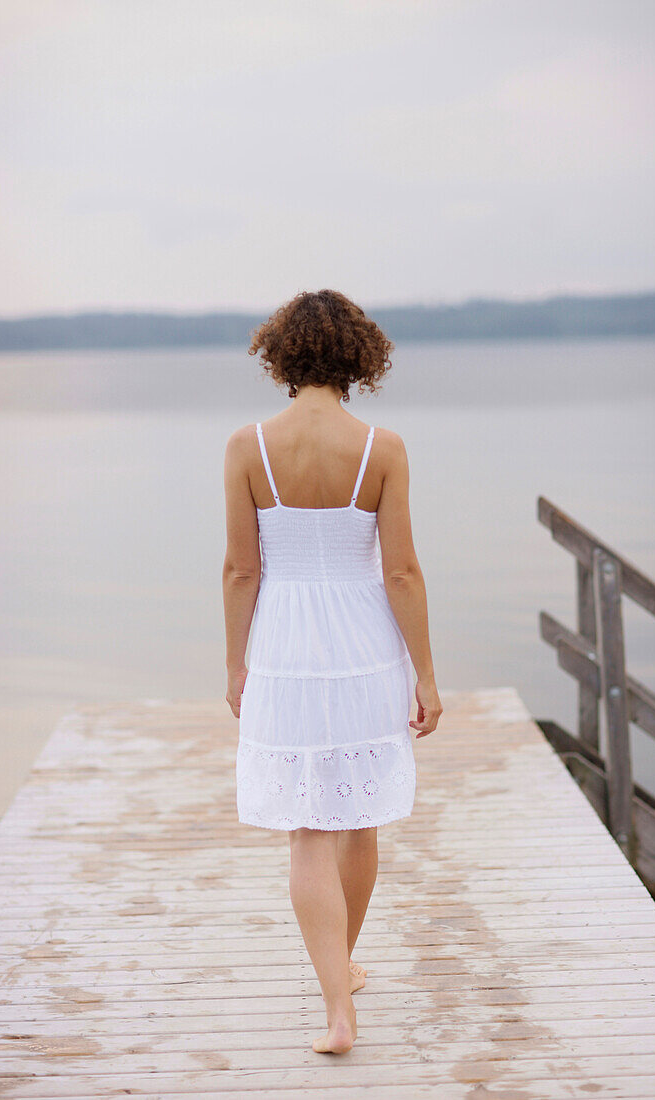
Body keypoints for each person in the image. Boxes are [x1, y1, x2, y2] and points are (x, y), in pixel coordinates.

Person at [222, 288, 442, 1055]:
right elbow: (403, 572)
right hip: (361, 646)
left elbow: (240, 571)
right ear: (360, 356)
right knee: (357, 820)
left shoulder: (248, 445)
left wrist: (234, 664)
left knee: (305, 830)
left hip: (283, 645)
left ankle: (336, 1008)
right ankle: (342, 971)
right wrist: (425, 674)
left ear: (278, 354)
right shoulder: (382, 448)